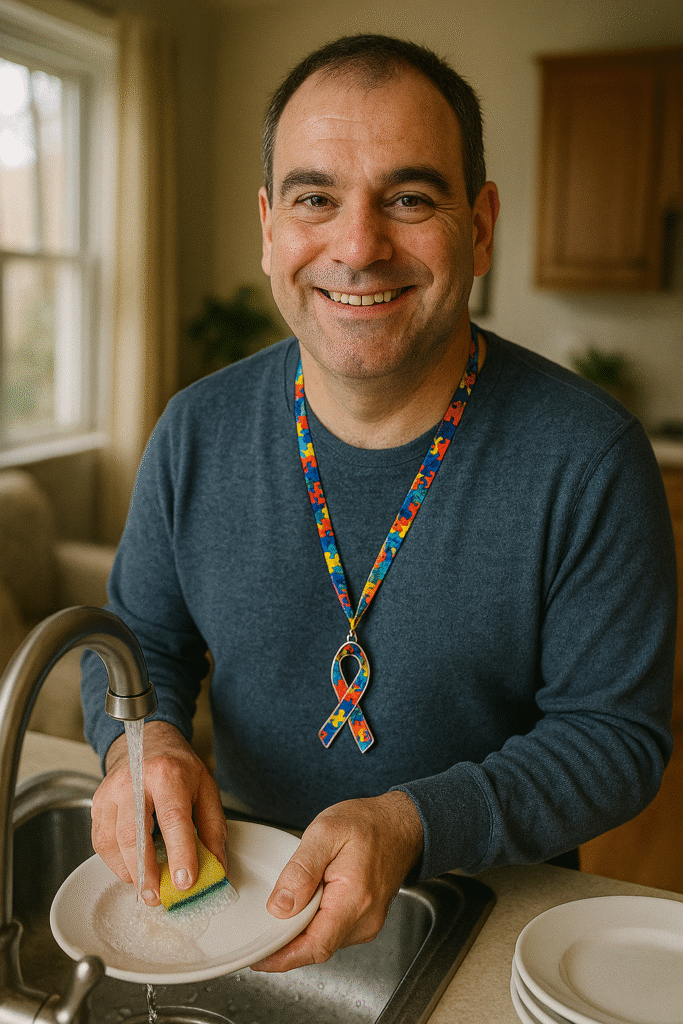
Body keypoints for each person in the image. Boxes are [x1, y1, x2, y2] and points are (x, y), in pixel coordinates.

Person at [82, 34, 677, 973]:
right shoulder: (194, 429)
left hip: (491, 927)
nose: (358, 248)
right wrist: (139, 744)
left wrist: (412, 821)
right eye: (315, 198)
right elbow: (137, 639)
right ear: (270, 228)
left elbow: (614, 737)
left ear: (480, 225)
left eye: (409, 198)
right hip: (238, 907)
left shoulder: (589, 457)